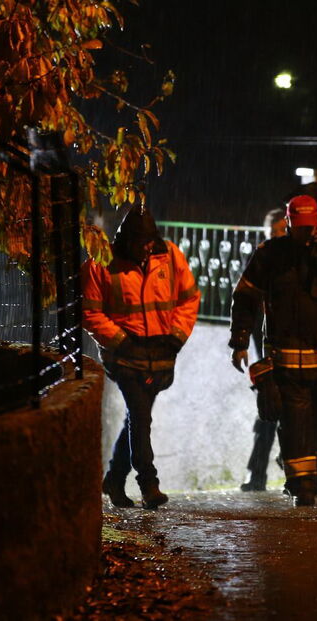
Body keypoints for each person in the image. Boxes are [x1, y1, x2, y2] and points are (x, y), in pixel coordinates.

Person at [229, 195, 317, 506]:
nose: (304, 232)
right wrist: (240, 340)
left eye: (308, 227)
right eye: (299, 226)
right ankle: (301, 485)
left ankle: (298, 464)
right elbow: (245, 296)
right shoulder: (270, 254)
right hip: (285, 358)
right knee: (294, 422)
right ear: (288, 223)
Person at [82, 206, 200, 509]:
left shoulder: (170, 255)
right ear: (127, 239)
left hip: (159, 355)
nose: (146, 248)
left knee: (138, 417)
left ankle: (114, 478)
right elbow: (90, 311)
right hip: (123, 357)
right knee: (140, 415)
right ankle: (149, 483)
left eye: (150, 242)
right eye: (140, 242)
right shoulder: (102, 263)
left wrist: (176, 337)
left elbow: (188, 298)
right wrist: (120, 341)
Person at [239, 207, 287, 492]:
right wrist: (243, 341)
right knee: (268, 408)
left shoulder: (298, 258)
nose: (275, 238)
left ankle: (294, 467)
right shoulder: (260, 260)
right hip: (267, 346)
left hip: (292, 345)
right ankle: (256, 473)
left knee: (293, 410)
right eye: (272, 233)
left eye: (280, 232)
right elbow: (245, 302)